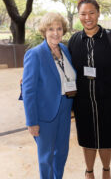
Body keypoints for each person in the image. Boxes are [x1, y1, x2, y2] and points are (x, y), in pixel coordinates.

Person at [68, 0, 111, 179]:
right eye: (83, 14)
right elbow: (60, 65)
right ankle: (89, 171)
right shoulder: (74, 40)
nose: (87, 17)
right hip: (82, 101)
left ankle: (106, 169)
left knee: (106, 139)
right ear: (79, 16)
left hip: (107, 100)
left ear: (98, 13)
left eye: (91, 13)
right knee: (87, 139)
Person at [22, 12, 76, 179]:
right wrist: (32, 122)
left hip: (65, 111)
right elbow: (28, 91)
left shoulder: (65, 50)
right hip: (45, 114)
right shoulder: (35, 54)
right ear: (44, 31)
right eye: (51, 29)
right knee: (46, 157)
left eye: (59, 28)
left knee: (62, 153)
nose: (55, 33)